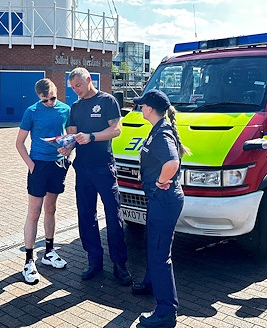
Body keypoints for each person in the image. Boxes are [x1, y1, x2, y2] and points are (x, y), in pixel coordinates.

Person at [62, 67, 132, 286]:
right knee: (86, 215)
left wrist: (91, 136)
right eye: (73, 88)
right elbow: (72, 134)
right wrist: (67, 145)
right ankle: (94, 261)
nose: (76, 91)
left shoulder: (107, 101)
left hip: (104, 167)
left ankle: (119, 264)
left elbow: (116, 130)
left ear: (89, 80)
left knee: (113, 215)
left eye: (79, 86)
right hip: (82, 168)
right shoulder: (75, 106)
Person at [130, 89, 187, 328]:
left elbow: (172, 162)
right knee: (153, 244)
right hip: (162, 201)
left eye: (142, 105)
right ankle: (149, 283)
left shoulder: (162, 133)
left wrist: (161, 182)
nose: (140, 108)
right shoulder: (160, 128)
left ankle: (166, 312)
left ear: (150, 109)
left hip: (164, 200)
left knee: (159, 253)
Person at [15, 78, 72, 285]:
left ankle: (49, 252)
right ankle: (29, 261)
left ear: (57, 91)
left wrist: (68, 149)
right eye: (45, 100)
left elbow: (71, 136)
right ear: (39, 97)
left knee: (51, 209)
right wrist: (31, 165)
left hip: (57, 166)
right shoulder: (31, 111)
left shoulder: (65, 109)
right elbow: (19, 143)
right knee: (34, 212)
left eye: (52, 98)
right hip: (38, 165)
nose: (49, 102)